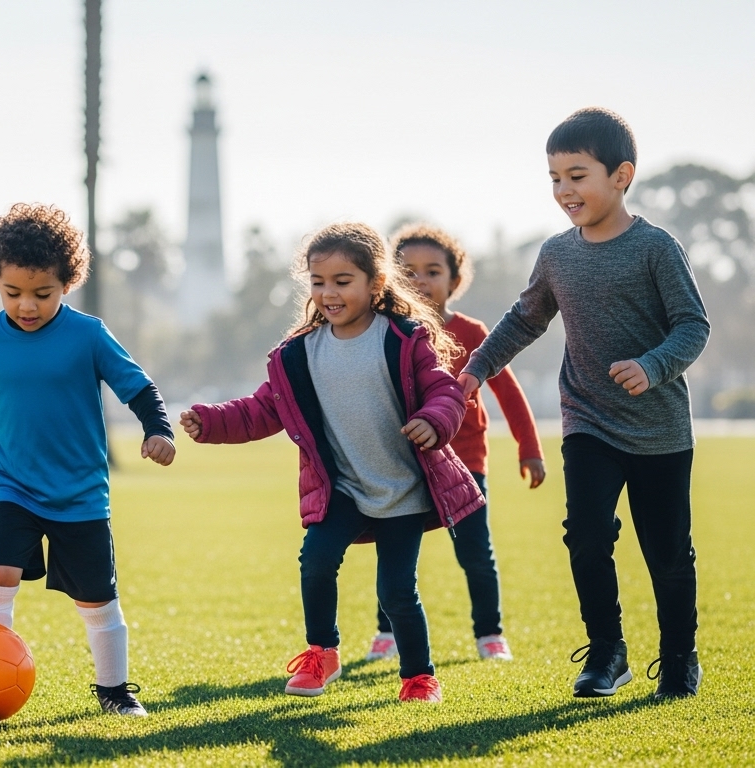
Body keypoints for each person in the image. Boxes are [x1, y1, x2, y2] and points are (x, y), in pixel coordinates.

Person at [458, 107, 709, 700]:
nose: (564, 190)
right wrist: (476, 368)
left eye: (577, 175)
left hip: (660, 430)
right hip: (588, 420)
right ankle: (606, 652)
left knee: (668, 551)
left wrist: (652, 366)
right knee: (587, 534)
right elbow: (525, 319)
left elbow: (692, 325)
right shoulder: (557, 254)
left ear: (621, 176)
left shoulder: (655, 248)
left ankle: (679, 657)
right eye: (554, 178)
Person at [181, 222, 483, 704]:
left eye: (343, 282)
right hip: (342, 489)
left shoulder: (403, 339)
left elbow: (443, 391)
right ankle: (322, 652)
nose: (328, 293)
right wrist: (210, 422)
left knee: (397, 591)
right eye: (318, 282)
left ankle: (418, 677)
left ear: (375, 284)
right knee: (316, 561)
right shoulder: (299, 353)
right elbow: (264, 409)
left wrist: (433, 421)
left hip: (403, 491)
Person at [0, 203, 176, 717]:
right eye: (13, 293)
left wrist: (158, 429)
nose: (26, 305)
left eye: (42, 294)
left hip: (80, 493)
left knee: (96, 598)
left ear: (66, 283)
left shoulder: (89, 334)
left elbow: (137, 387)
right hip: (13, 487)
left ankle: (115, 691)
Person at [361, 224, 546, 664]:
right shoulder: (382, 331)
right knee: (396, 557)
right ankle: (386, 633)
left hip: (465, 463)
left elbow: (509, 394)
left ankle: (490, 635)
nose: (421, 280)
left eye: (433, 271)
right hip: (403, 464)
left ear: (454, 281)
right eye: (408, 271)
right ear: (388, 278)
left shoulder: (472, 331)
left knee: (476, 554)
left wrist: (530, 448)